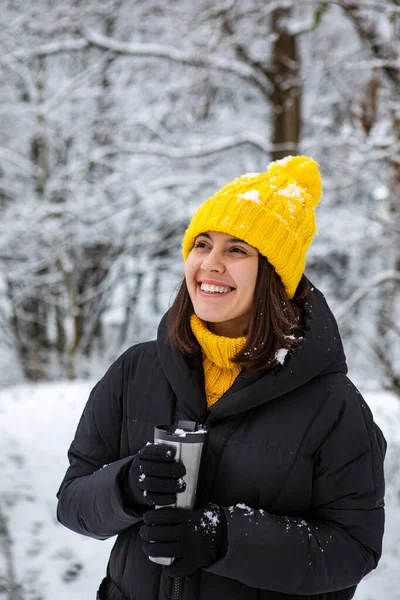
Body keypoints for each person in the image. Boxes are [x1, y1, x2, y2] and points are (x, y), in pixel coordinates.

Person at [56, 155, 386, 600]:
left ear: (273, 275)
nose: (210, 263)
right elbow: (73, 502)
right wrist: (127, 486)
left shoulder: (333, 405)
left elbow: (353, 550)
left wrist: (223, 539)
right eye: (202, 244)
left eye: (236, 250)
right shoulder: (136, 371)